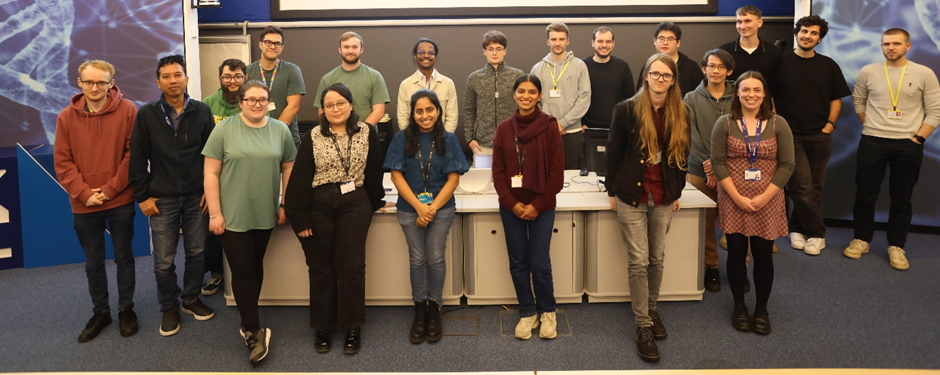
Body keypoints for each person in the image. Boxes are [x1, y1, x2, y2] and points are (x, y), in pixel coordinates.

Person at [284, 83, 386, 355]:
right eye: (329, 105)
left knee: (351, 266)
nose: (335, 109)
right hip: (319, 204)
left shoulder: (367, 131)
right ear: (323, 110)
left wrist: (374, 203)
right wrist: (301, 217)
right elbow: (300, 178)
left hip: (354, 203)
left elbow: (375, 171)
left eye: (340, 103)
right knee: (321, 268)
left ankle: (352, 326)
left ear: (351, 105)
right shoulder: (315, 135)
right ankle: (323, 327)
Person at [203, 80, 296, 365]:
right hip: (231, 216)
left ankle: (248, 318)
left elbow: (289, 166)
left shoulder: (280, 130)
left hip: (264, 212)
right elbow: (210, 174)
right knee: (242, 268)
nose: (257, 104)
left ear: (269, 101)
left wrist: (285, 203)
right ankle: (254, 330)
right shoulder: (224, 130)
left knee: (255, 266)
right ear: (240, 102)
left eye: (262, 99)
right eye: (251, 99)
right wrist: (216, 214)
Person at [605, 53, 691, 363]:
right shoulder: (626, 111)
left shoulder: (682, 111)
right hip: (631, 195)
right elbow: (612, 154)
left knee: (657, 258)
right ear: (646, 76)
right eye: (655, 74)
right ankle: (642, 325)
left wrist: (676, 190)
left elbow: (683, 157)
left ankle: (652, 310)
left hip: (663, 197)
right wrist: (611, 191)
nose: (660, 79)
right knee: (639, 260)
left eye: (666, 75)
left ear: (673, 80)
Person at [129, 54, 216, 337]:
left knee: (197, 252)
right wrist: (143, 195)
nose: (172, 80)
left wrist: (209, 192)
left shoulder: (202, 112)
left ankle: (191, 299)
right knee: (164, 260)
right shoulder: (147, 114)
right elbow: (138, 158)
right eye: (166, 76)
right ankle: (169, 306)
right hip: (161, 198)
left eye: (177, 75)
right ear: (158, 82)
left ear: (186, 79)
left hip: (196, 197)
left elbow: (212, 157)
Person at [54, 59, 139, 343]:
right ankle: (101, 312)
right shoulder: (66, 116)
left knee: (124, 258)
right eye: (88, 81)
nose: (94, 87)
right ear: (79, 83)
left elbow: (133, 156)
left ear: (111, 84)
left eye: (101, 82)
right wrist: (84, 193)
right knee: (93, 263)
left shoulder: (128, 110)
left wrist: (110, 190)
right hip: (84, 203)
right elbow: (63, 161)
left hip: (119, 200)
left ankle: (127, 308)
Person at [845, 28, 940, 270]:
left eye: (896, 44)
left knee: (901, 198)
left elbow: (936, 110)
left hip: (908, 144)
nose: (890, 48)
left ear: (907, 46)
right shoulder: (869, 71)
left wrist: (918, 138)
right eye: (886, 44)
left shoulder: (924, 73)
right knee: (865, 194)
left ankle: (896, 246)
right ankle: (862, 239)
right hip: (873, 140)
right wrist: (871, 125)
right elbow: (858, 100)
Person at [711, 71, 794, 336]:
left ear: (765, 94)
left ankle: (761, 308)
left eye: (757, 90)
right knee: (735, 253)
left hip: (767, 199)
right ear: (737, 93)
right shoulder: (724, 123)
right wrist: (736, 197)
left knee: (762, 255)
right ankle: (738, 306)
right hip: (733, 197)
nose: (751, 95)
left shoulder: (778, 123)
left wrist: (763, 197)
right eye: (746, 90)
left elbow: (788, 164)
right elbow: (718, 162)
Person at [384, 89, 469, 344]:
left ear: (438, 111)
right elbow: (396, 175)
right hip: (410, 209)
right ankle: (419, 307)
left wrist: (430, 209)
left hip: (441, 209)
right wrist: (420, 208)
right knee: (417, 258)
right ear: (412, 113)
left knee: (435, 257)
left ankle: (435, 307)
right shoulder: (402, 138)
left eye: (429, 110)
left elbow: (453, 178)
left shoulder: (449, 139)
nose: (425, 115)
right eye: (419, 111)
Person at [491, 74, 564, 341]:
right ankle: (527, 311)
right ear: (514, 95)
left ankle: (548, 311)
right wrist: (513, 204)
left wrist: (536, 205)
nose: (526, 96)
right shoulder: (503, 129)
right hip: (512, 207)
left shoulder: (549, 127)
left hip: (542, 206)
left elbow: (557, 175)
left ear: (540, 96)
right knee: (518, 261)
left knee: (540, 262)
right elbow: (498, 173)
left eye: (532, 92)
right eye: (521, 91)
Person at [774, 16, 851, 256]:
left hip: (820, 135)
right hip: (790, 136)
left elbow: (835, 99)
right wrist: (779, 127)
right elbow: (771, 98)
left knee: (814, 187)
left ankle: (797, 228)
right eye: (804, 31)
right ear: (797, 33)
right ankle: (818, 233)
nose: (808, 36)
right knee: (801, 187)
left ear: (819, 38)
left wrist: (830, 125)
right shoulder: (781, 62)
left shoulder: (828, 65)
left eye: (814, 33)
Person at [684, 48, 735, 293]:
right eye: (711, 66)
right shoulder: (691, 98)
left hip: (736, 171)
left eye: (721, 67)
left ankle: (739, 268)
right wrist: (711, 166)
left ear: (729, 71)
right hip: (699, 169)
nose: (715, 71)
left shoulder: (740, 95)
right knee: (704, 223)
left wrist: (721, 167)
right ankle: (712, 267)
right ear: (703, 69)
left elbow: (744, 134)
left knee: (737, 223)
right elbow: (690, 136)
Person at [200, 58, 247, 296]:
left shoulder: (249, 103)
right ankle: (217, 274)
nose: (232, 81)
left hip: (243, 177)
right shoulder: (207, 104)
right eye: (228, 76)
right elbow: (201, 146)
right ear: (220, 79)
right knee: (214, 229)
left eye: (238, 76)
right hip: (216, 177)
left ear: (244, 78)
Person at [530, 22, 591, 170]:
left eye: (561, 39)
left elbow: (584, 97)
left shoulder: (579, 66)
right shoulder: (537, 68)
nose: (557, 43)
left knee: (574, 180)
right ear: (548, 41)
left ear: (567, 41)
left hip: (573, 134)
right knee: (545, 179)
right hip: (544, 133)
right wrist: (550, 124)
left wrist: (562, 123)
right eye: (554, 39)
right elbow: (532, 102)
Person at [465, 30, 524, 159]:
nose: (495, 53)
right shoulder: (474, 78)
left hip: (513, 142)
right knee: (485, 179)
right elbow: (469, 110)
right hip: (483, 145)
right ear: (484, 51)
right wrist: (469, 138)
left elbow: (525, 107)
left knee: (512, 179)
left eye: (499, 49)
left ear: (505, 51)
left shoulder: (517, 76)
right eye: (490, 49)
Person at [246, 25, 306, 149]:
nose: (272, 46)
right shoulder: (247, 71)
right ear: (260, 44)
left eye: (277, 43)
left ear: (282, 47)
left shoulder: (292, 70)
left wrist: (273, 133)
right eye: (268, 42)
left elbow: (293, 106)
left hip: (286, 138)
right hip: (254, 138)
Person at [315, 31, 390, 128]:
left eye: (354, 47)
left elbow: (379, 112)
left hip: (367, 137)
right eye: (346, 47)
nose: (350, 51)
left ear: (361, 49)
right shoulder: (327, 79)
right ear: (339, 49)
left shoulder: (375, 76)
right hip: (335, 138)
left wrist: (361, 132)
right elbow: (322, 111)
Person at [397, 38, 459, 133]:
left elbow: (452, 117)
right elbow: (402, 118)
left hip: (441, 140)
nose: (426, 55)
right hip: (413, 141)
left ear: (435, 57)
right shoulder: (406, 85)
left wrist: (444, 139)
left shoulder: (447, 83)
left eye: (430, 52)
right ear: (415, 56)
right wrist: (411, 139)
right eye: (421, 52)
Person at [718, 6, 782, 95]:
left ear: (759, 23)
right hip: (731, 106)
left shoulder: (773, 52)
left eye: (747, 21)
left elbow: (774, 85)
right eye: (739, 22)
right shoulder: (724, 52)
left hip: (762, 106)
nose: (743, 26)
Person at [582, 26, 635, 129]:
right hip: (588, 129)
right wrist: (580, 123)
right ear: (593, 43)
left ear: (613, 44)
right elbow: (576, 97)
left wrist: (624, 123)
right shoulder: (582, 66)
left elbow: (630, 99)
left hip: (617, 127)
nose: (604, 45)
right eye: (600, 41)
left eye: (608, 41)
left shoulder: (622, 66)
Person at [635, 22, 703, 97]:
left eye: (670, 39)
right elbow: (640, 96)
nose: (665, 43)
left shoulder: (691, 68)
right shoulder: (648, 67)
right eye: (661, 39)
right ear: (655, 41)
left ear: (678, 43)